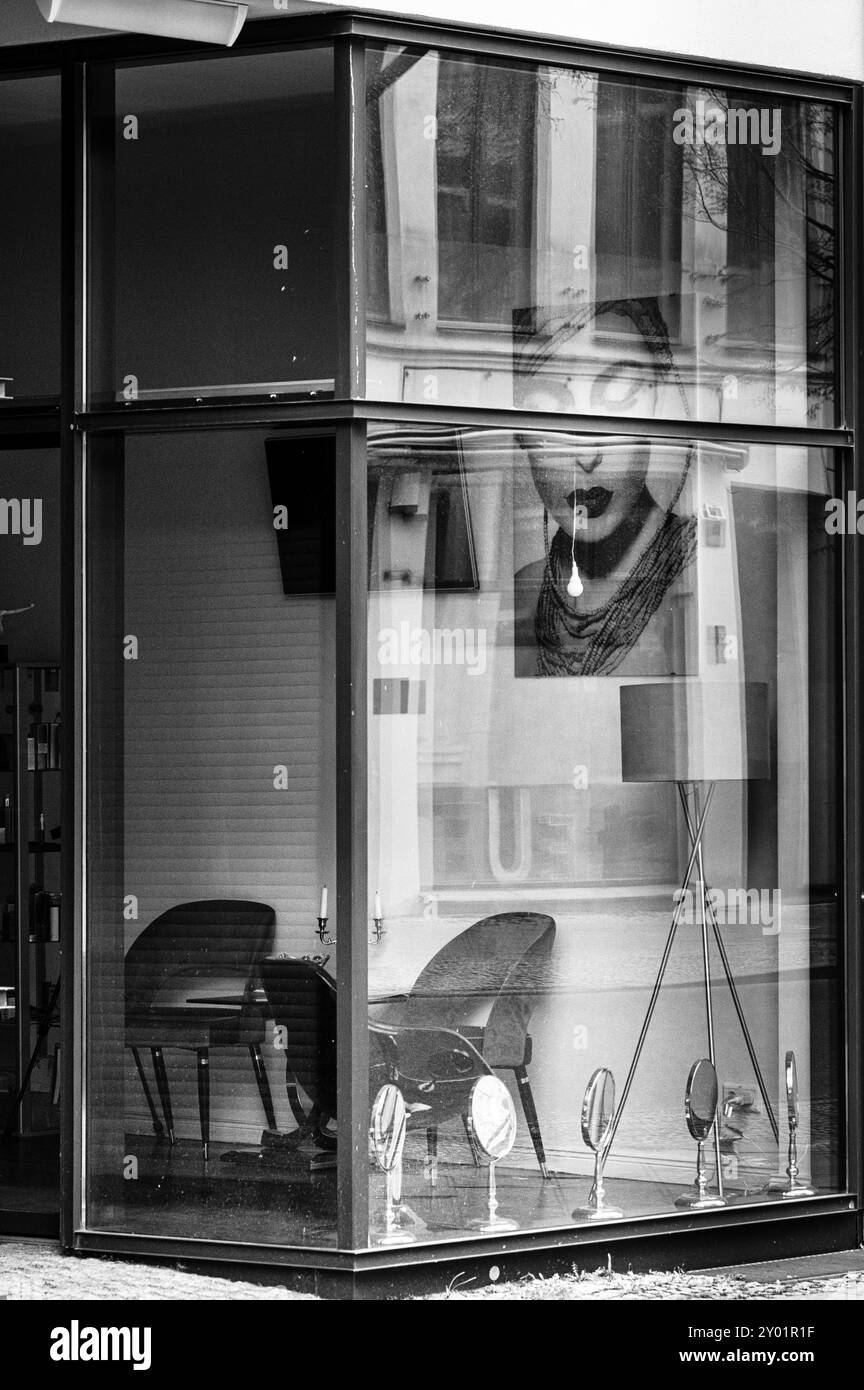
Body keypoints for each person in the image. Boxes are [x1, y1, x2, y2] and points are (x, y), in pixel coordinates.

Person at [512, 297, 697, 677]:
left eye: (618, 399)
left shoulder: (696, 568)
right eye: (547, 416)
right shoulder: (526, 589)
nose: (587, 454)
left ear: (658, 408)